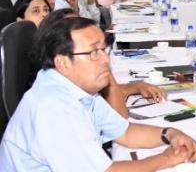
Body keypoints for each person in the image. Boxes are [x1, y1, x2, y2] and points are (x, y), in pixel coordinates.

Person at [0, 17, 196, 172]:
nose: (105, 60)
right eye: (94, 52)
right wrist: (166, 158)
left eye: (103, 50)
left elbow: (126, 132)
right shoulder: (52, 107)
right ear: (63, 63)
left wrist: (170, 134)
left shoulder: (77, 88)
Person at [37, 9, 167, 117]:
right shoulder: (54, 104)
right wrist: (104, 67)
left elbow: (104, 96)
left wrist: (136, 87)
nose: (106, 58)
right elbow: (120, 120)